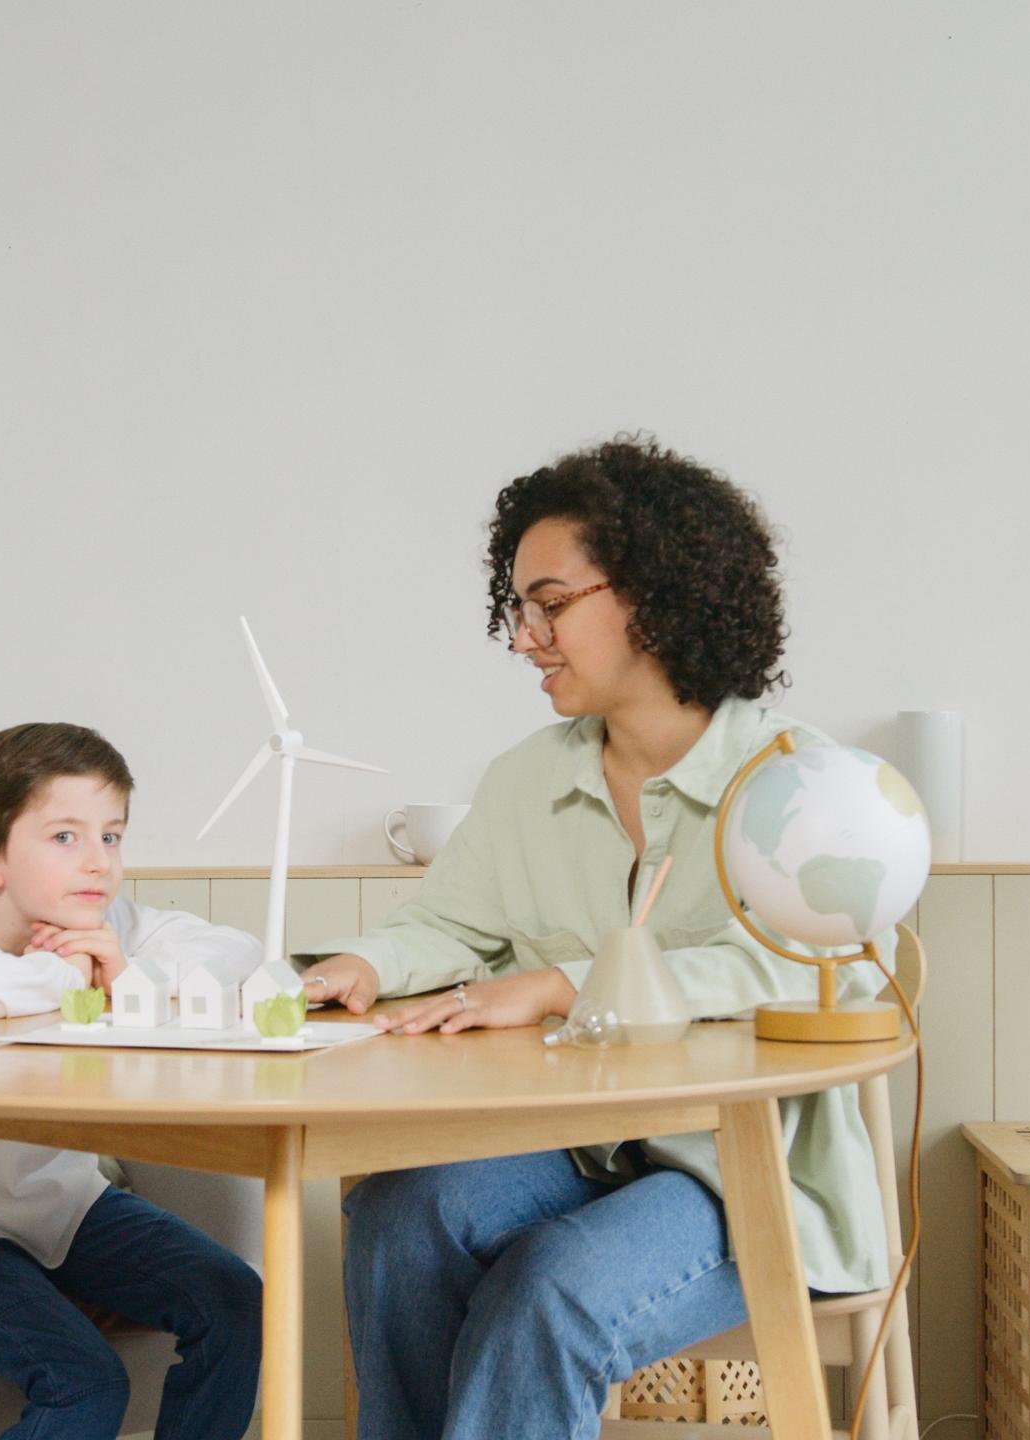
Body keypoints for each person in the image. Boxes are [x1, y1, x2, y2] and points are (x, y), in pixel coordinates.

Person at [300, 436, 891, 1440]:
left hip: (741, 1174)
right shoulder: (527, 779)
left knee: (548, 1289)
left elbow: (822, 969)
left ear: (653, 594)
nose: (526, 637)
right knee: (398, 1221)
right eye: (517, 609)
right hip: (569, 1148)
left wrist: (563, 984)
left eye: (551, 603)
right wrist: (364, 965)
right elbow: (447, 923)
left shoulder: (802, 782)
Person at [0, 722, 264, 1440]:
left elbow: (235, 951)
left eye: (113, 836)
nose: (98, 862)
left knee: (234, 1301)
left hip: (62, 1203)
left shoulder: (112, 924)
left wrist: (131, 975)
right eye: (65, 837)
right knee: (85, 1383)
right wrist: (70, 976)